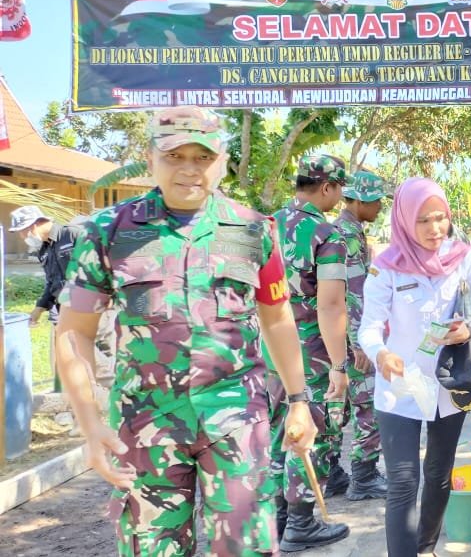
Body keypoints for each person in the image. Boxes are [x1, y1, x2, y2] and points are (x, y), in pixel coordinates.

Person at [54, 106, 317, 555]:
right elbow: (73, 331)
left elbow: (277, 318)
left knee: (246, 548)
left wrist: (298, 402)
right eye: (175, 156)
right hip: (145, 424)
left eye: (203, 157)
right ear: (150, 157)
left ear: (223, 160)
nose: (190, 169)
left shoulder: (253, 229)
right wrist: (90, 423)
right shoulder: (108, 231)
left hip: (236, 417)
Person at [357, 177, 471, 557]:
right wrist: (381, 353)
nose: (435, 228)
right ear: (404, 219)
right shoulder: (386, 267)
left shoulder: (464, 257)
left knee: (438, 472)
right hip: (399, 384)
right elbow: (369, 326)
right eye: (423, 220)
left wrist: (470, 329)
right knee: (403, 481)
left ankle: (426, 547)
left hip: (450, 382)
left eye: (440, 218)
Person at [270, 154, 352, 551]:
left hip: (268, 346)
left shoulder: (265, 225)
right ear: (327, 187)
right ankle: (301, 522)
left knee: (277, 429)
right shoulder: (326, 234)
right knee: (311, 428)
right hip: (310, 349)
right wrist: (339, 365)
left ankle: (278, 520)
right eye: (339, 189)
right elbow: (331, 306)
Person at [331, 170, 390, 501]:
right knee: (368, 405)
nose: (380, 207)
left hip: (334, 336)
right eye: (377, 200)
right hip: (352, 338)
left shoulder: (340, 230)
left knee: (336, 410)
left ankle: (331, 474)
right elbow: (353, 295)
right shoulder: (349, 236)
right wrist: (361, 344)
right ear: (361, 200)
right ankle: (364, 476)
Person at [9, 205, 78, 327]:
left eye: (22, 231)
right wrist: (40, 308)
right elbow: (52, 282)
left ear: (33, 225)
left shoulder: (73, 234)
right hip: (64, 309)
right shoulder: (43, 250)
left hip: (88, 307)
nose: (22, 237)